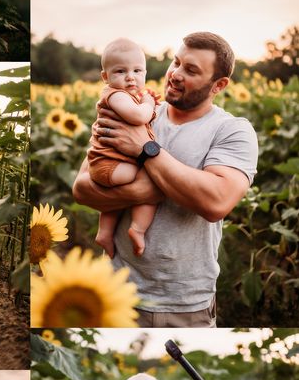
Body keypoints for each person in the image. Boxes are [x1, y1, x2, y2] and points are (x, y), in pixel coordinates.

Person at [73, 32, 258, 327]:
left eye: (191, 70)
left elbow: (215, 202)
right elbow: (82, 188)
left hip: (183, 303)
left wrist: (144, 150)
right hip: (117, 291)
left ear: (219, 85)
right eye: (176, 62)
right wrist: (158, 189)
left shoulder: (232, 131)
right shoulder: (137, 114)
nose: (175, 74)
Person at [87, 38, 160, 258]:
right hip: (110, 165)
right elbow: (138, 117)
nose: (130, 76)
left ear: (145, 73)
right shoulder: (116, 95)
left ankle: (105, 232)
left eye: (137, 70)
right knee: (152, 182)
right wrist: (149, 104)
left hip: (110, 164)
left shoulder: (127, 96)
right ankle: (138, 229)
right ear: (105, 77)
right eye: (120, 71)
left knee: (117, 198)